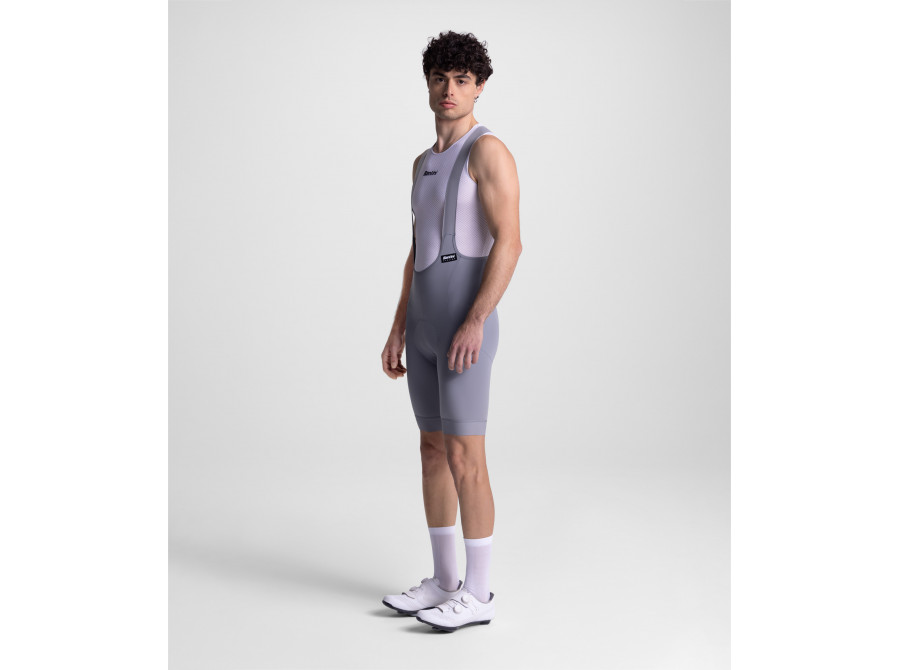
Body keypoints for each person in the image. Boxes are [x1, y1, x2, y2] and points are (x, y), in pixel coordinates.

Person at [380, 30, 522, 633]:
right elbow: (417, 250)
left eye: (462, 79)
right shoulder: (422, 163)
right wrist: (397, 327)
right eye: (440, 78)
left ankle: (478, 593)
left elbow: (510, 243)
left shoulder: (489, 152)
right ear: (428, 83)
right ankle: (443, 581)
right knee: (432, 450)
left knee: (467, 456)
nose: (449, 89)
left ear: (479, 86)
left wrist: (476, 320)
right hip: (423, 326)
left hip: (466, 328)